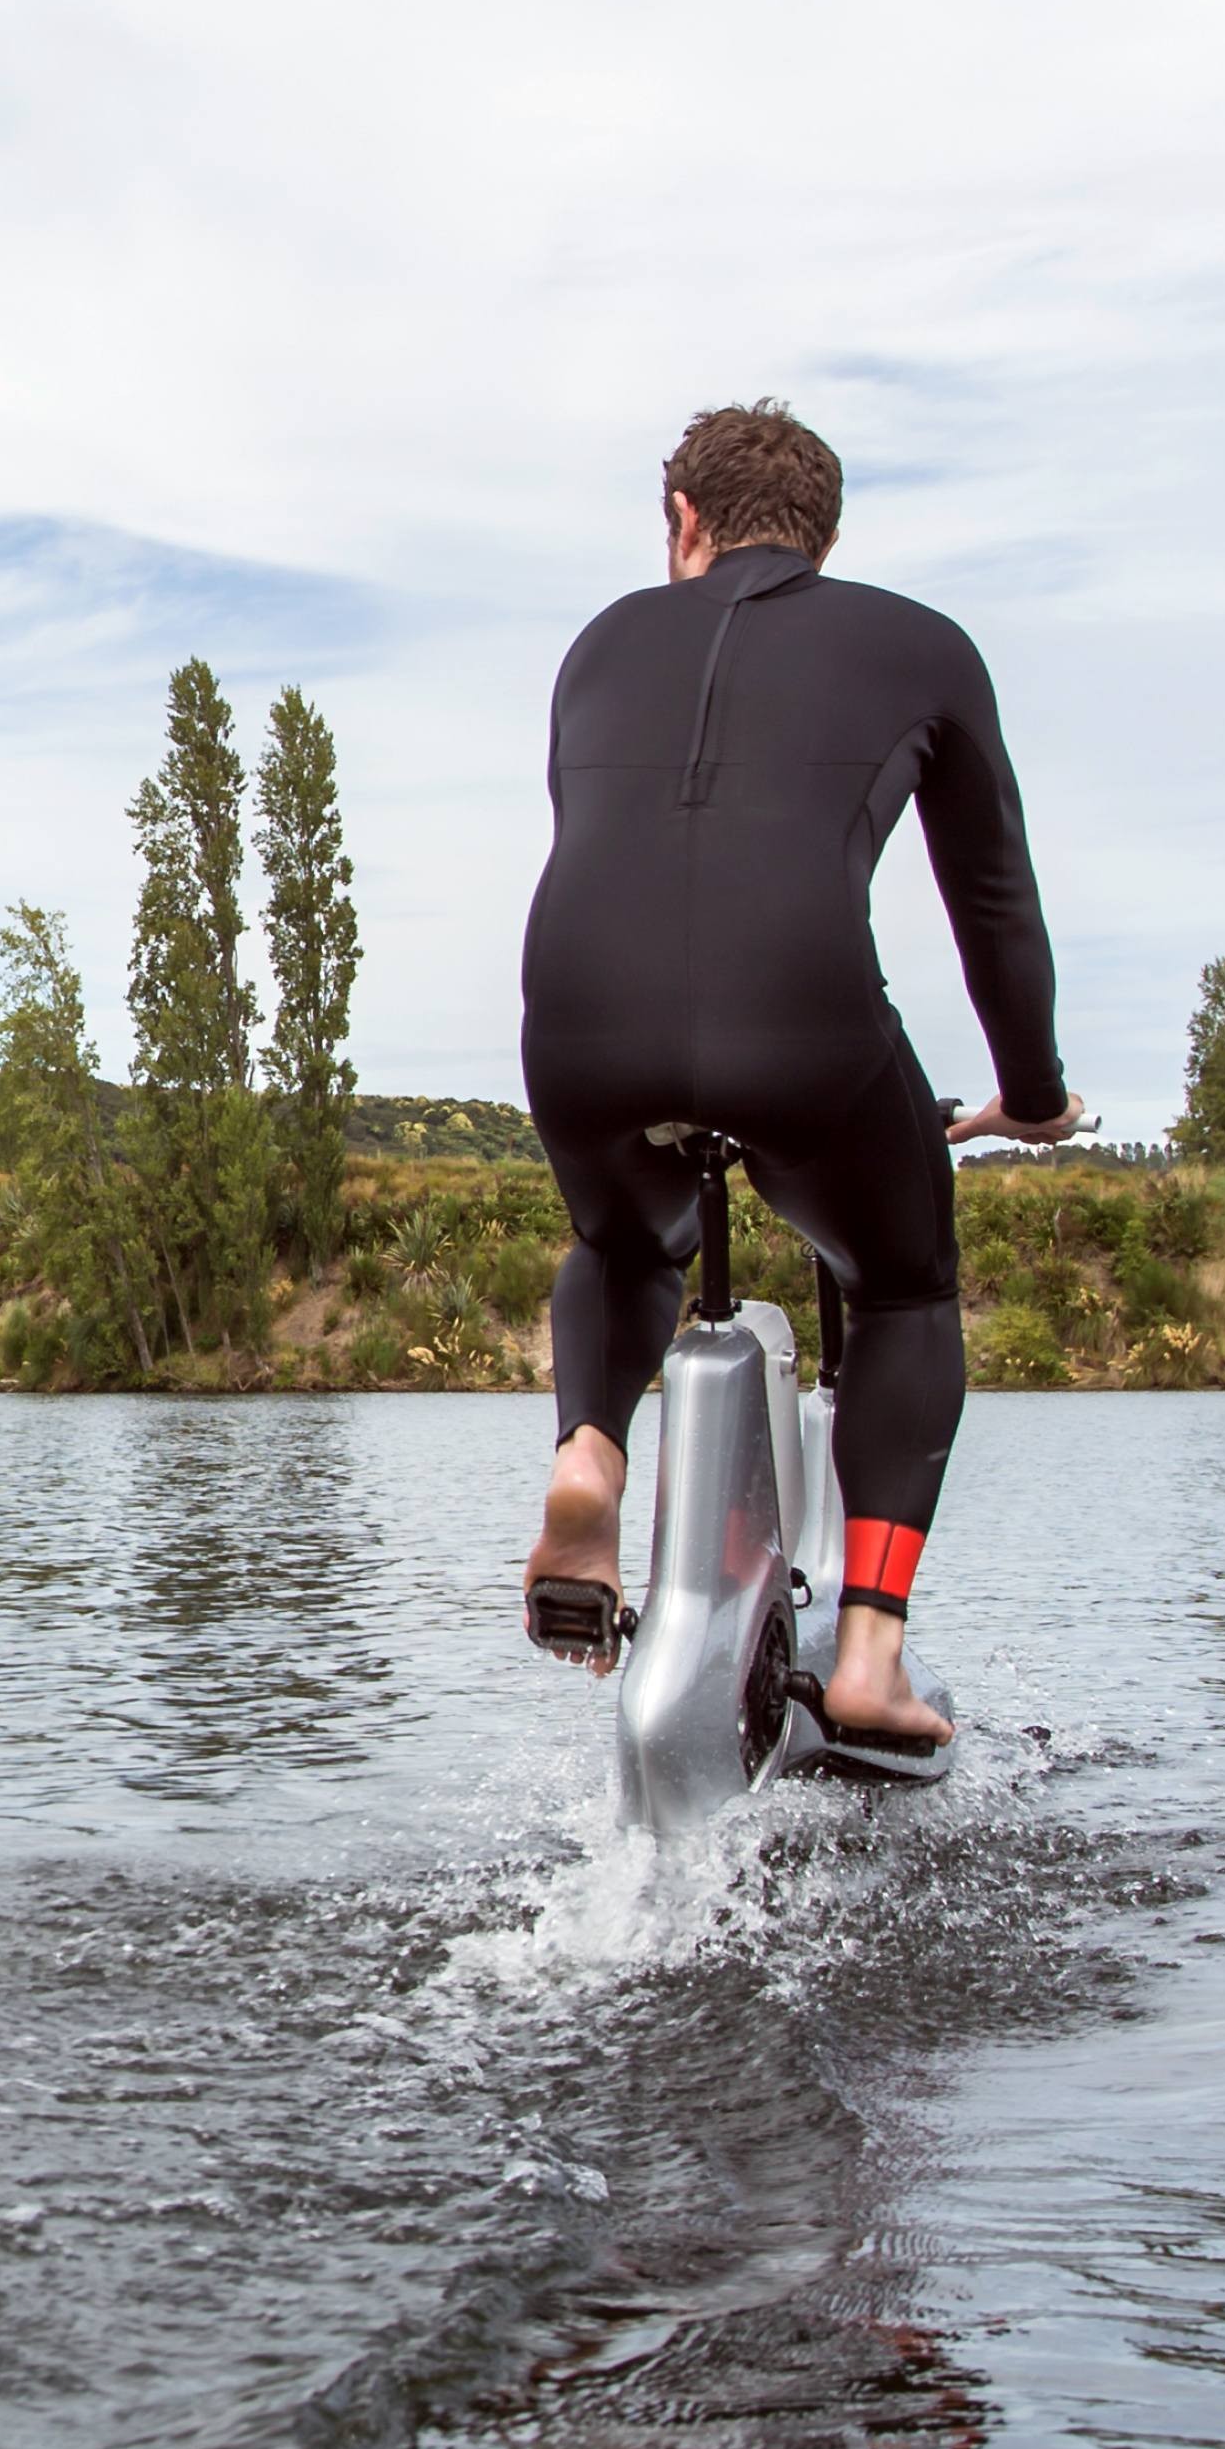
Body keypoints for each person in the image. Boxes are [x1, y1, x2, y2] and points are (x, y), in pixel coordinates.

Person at [513, 401, 1091, 1747]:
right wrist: (1034, 1092)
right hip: (807, 1027)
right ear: (825, 539)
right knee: (904, 1285)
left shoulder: (600, 642)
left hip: (580, 1023)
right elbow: (993, 903)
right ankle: (874, 1657)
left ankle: (589, 1453)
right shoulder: (922, 646)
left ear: (684, 525)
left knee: (617, 1239)